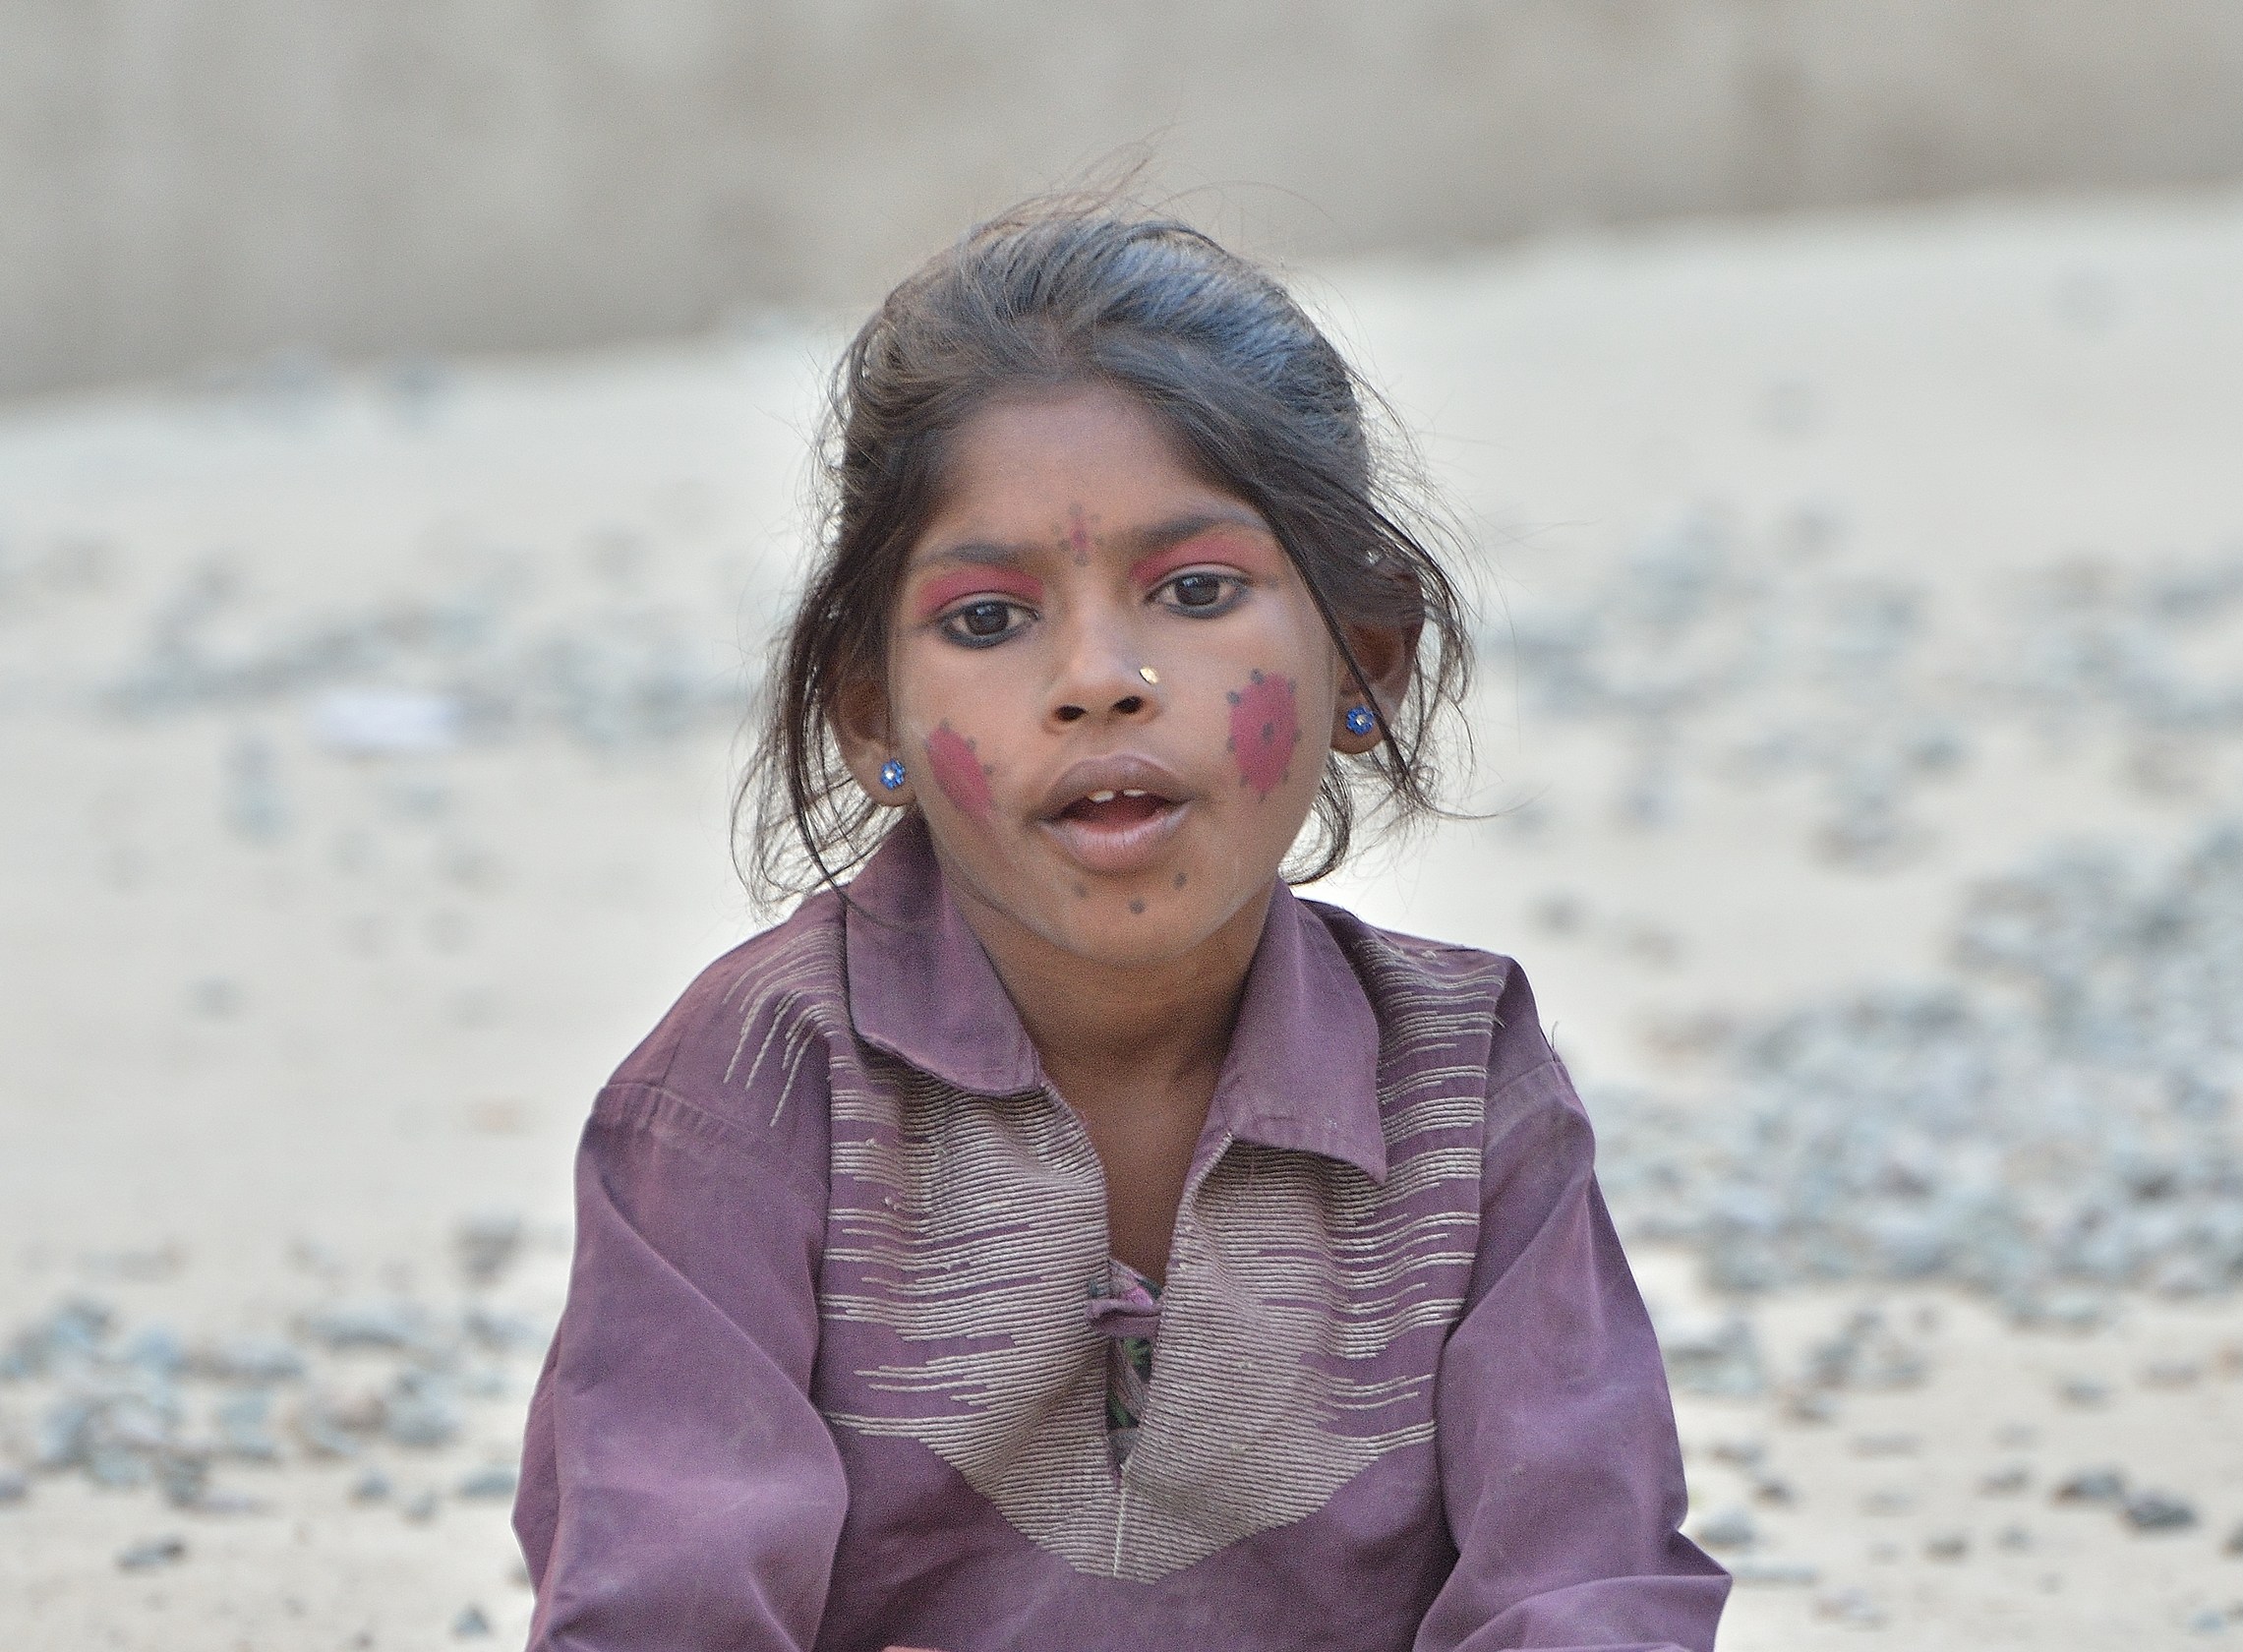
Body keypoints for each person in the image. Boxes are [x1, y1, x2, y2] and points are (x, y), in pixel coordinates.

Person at [514, 194, 1729, 1652]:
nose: (1098, 678)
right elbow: (667, 1608)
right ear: (864, 712)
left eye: (1195, 591)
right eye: (986, 619)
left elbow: (1587, 1585)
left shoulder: (1462, 1086)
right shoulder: (754, 1088)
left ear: (1370, 658)